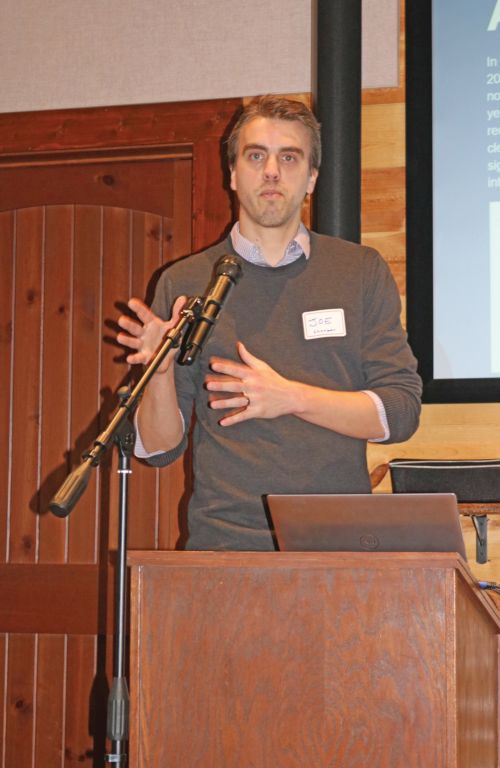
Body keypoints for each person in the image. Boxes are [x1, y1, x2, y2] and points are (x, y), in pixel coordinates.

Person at [117, 95, 422, 550]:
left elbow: (400, 413)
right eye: (256, 156)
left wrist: (290, 397)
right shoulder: (185, 282)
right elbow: (158, 449)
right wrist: (159, 374)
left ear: (312, 179)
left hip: (340, 547)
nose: (272, 171)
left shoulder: (359, 271)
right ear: (234, 174)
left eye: (289, 157)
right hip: (225, 548)